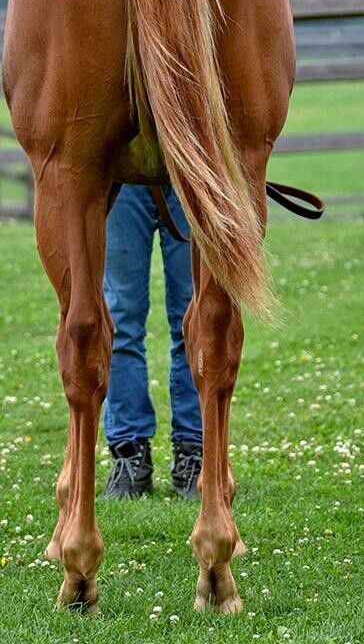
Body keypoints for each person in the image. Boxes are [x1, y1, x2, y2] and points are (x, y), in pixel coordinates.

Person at [101, 183, 203, 499]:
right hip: (123, 174)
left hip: (188, 168)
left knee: (195, 318)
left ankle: (194, 453)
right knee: (120, 320)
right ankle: (129, 456)